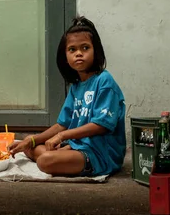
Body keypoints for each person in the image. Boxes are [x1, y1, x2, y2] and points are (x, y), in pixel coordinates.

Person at [8, 16, 126, 176]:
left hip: (100, 154)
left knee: (44, 160)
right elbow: (62, 124)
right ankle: (60, 157)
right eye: (72, 49)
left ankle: (62, 159)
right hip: (76, 146)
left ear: (95, 50)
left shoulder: (104, 81)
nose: (79, 53)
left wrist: (62, 136)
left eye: (85, 48)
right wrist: (33, 139)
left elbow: (102, 125)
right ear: (65, 56)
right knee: (31, 145)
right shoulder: (76, 86)